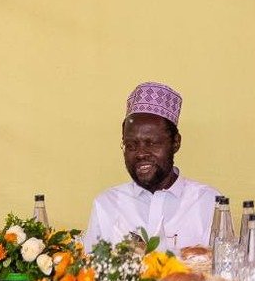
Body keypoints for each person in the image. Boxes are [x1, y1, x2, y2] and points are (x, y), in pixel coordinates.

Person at [84, 82, 218, 252]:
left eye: (151, 143)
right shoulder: (106, 205)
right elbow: (89, 275)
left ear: (175, 143)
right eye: (131, 145)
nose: (140, 154)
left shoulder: (208, 202)